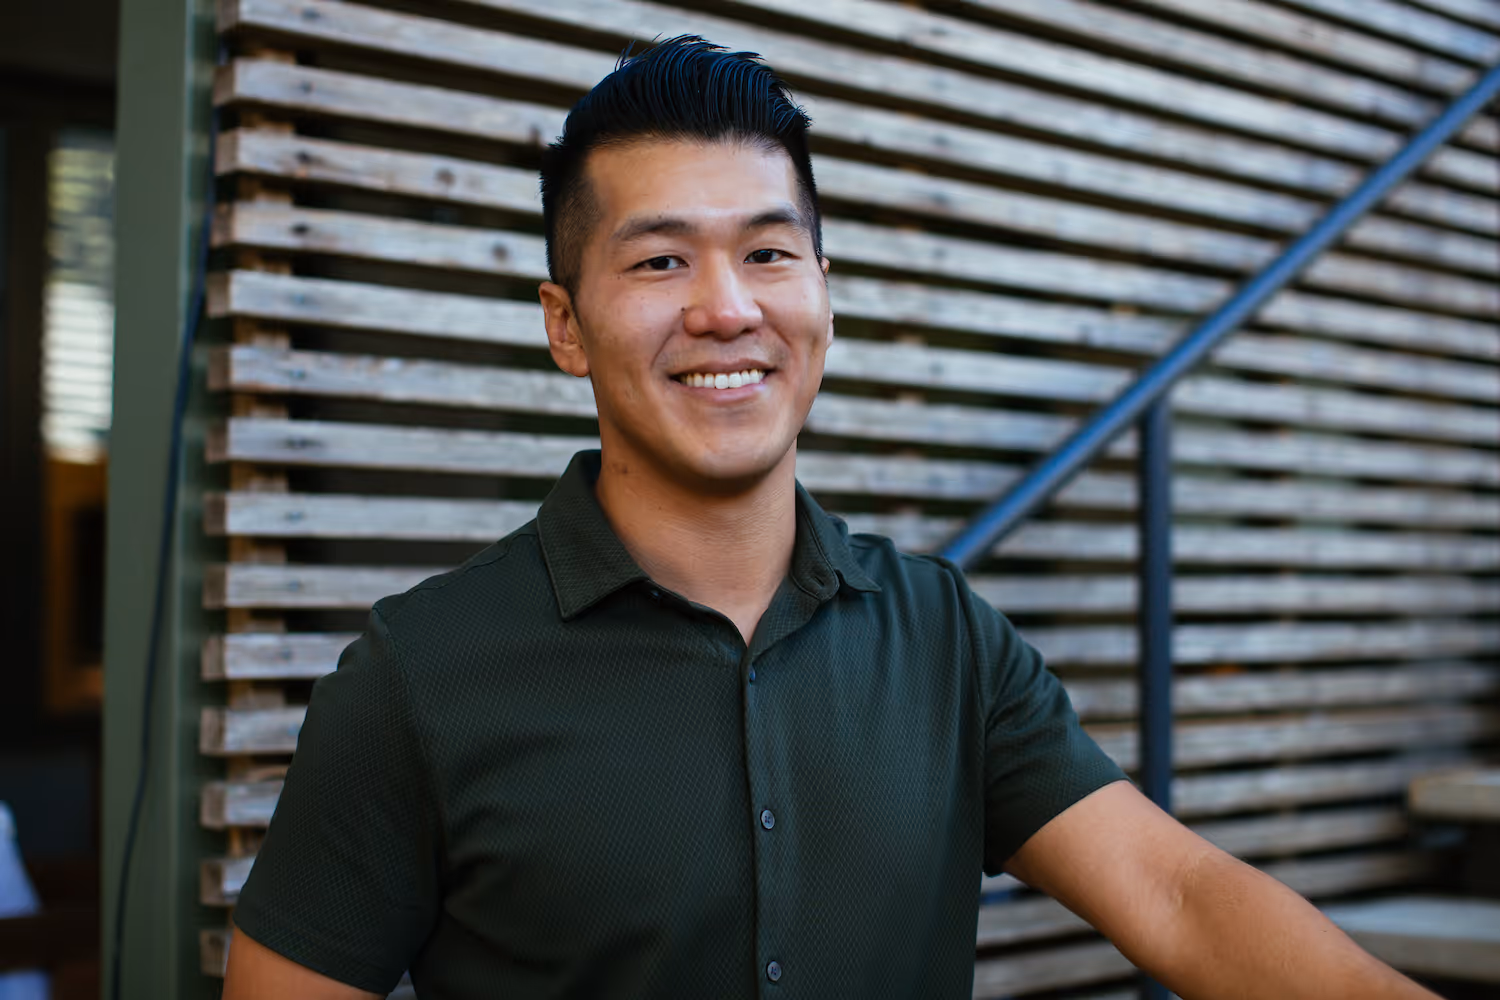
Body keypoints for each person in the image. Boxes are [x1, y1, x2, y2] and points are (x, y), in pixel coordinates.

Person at [223, 36, 1438, 1000]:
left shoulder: (946, 638)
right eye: (659, 263)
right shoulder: (419, 674)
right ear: (564, 325)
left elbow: (1174, 897)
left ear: (823, 302)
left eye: (769, 252)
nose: (725, 307)